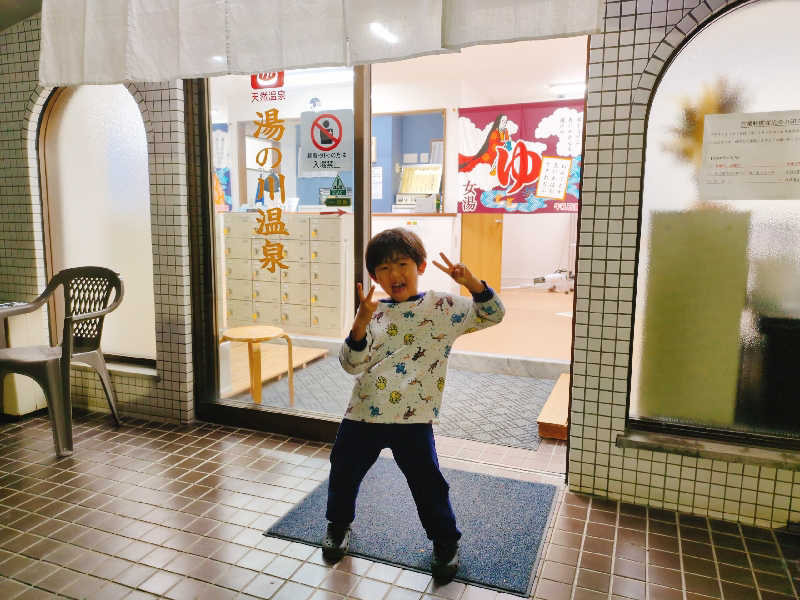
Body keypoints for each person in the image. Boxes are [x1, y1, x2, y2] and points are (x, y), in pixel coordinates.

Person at [321, 228, 505, 582]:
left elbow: (493, 314)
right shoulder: (371, 312)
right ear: (374, 276)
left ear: (420, 265)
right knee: (343, 470)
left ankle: (446, 543)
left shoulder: (443, 307)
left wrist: (473, 284)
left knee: (427, 483)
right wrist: (359, 322)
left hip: (414, 418)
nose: (395, 275)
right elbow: (350, 365)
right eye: (384, 269)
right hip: (364, 413)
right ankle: (338, 525)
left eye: (402, 264)